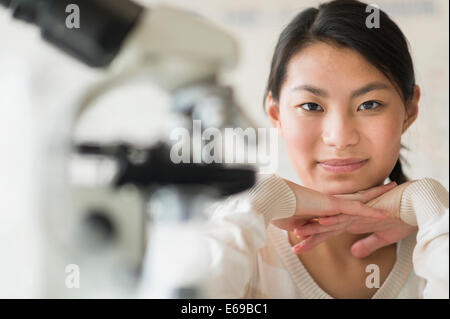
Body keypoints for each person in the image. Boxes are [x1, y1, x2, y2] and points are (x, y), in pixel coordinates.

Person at [183, 0, 449, 299]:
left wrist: (430, 204)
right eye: (311, 106)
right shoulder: (242, 246)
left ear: (410, 110)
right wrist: (258, 202)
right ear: (275, 114)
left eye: (369, 104)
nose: (339, 137)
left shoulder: (437, 242)